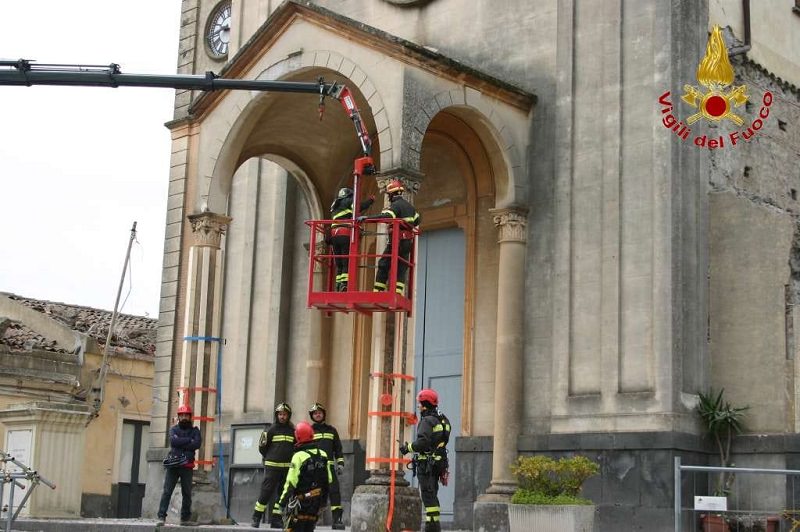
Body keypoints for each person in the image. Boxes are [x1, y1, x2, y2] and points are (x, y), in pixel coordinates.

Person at [399, 388, 451, 532]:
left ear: (425, 404)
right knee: (433, 492)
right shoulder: (444, 419)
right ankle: (434, 525)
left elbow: (423, 442)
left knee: (428, 494)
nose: (419, 406)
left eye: (420, 403)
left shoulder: (427, 421)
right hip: (439, 462)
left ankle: (432, 527)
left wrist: (407, 448)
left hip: (427, 463)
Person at [357, 179, 420, 294]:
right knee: (402, 266)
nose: (388, 197)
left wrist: (367, 218)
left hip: (397, 241)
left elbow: (385, 216)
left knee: (383, 263)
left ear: (392, 194)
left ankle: (378, 290)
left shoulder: (396, 205)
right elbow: (417, 220)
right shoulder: (410, 207)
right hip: (407, 241)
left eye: (388, 195)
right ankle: (398, 291)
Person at [276, 421, 332, 532]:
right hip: (316, 503)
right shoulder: (323, 455)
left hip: (300, 504)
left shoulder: (298, 456)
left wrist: (282, 503)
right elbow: (328, 480)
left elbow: (291, 482)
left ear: (298, 437)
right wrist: (323, 502)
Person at [157, 403, 201, 527]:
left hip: (187, 466)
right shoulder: (173, 429)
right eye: (182, 415)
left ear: (190, 416)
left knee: (186, 493)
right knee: (167, 491)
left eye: (186, 415)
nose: (184, 418)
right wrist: (188, 440)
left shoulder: (195, 431)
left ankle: (185, 518)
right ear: (179, 417)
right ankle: (161, 516)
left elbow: (197, 444)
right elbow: (173, 441)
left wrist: (180, 443)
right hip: (173, 466)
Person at [252, 403, 296, 528]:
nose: (282, 417)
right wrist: (270, 457)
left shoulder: (292, 431)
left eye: (285, 415)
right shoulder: (271, 429)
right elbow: (262, 447)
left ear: (288, 416)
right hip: (272, 466)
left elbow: (296, 447)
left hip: (287, 467)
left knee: (282, 493)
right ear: (277, 415)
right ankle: (256, 517)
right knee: (266, 491)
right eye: (280, 414)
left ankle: (276, 519)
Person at [329, 187, 375, 292]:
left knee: (339, 262)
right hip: (344, 233)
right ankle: (344, 284)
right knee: (346, 261)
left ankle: (338, 284)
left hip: (334, 235)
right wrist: (370, 201)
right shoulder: (349, 200)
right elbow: (358, 207)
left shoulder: (335, 204)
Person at [308, 402, 345, 529]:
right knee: (314, 493)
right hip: (315, 468)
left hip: (329, 468)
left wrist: (340, 464)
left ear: (324, 414)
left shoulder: (332, 430)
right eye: (315, 413)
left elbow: (338, 449)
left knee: (335, 492)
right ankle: (311, 520)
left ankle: (337, 520)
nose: (317, 415)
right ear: (312, 416)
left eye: (319, 413)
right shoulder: (309, 430)